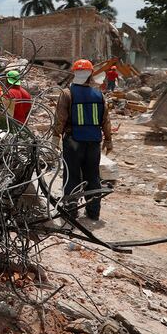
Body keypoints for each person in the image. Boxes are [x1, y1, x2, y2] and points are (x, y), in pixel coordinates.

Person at [53, 59, 113, 221]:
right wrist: (108, 140)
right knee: (92, 176)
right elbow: (105, 120)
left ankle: (70, 211)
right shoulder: (99, 94)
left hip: (73, 141)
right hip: (93, 142)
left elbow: (60, 118)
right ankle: (94, 212)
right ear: (91, 74)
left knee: (72, 175)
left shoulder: (67, 93)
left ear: (74, 73)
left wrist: (55, 138)